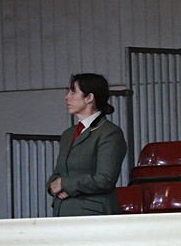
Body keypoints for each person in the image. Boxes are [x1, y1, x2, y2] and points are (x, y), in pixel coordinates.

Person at [47, 73, 128, 216]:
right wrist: (52, 185)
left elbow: (105, 179)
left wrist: (64, 184)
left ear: (89, 98)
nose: (67, 96)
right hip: (62, 213)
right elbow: (58, 174)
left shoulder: (109, 132)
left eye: (73, 92)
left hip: (92, 215)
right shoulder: (68, 134)